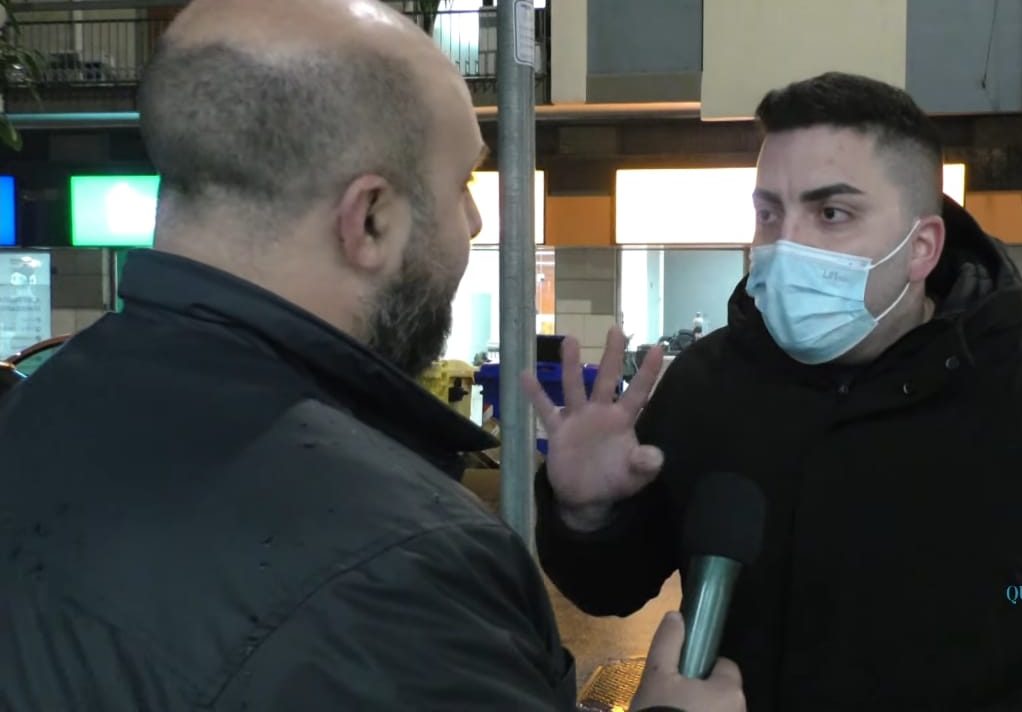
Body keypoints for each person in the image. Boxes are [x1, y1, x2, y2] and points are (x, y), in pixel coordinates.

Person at [0, 1, 745, 710]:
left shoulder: (37, 411)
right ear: (370, 219)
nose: (474, 219)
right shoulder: (404, 566)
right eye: (461, 185)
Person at [529, 72, 1022, 711]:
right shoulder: (707, 383)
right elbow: (611, 590)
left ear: (922, 247)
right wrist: (588, 514)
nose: (784, 245)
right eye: (769, 213)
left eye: (831, 213)